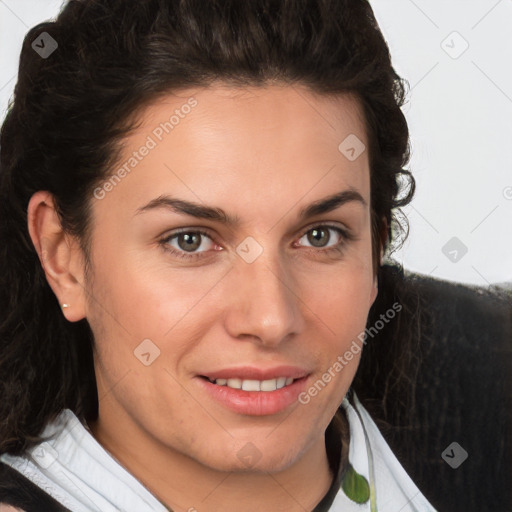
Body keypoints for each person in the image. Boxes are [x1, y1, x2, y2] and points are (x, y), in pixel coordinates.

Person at [0, 0, 439, 510]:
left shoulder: (483, 426)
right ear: (63, 257)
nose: (271, 319)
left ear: (376, 246)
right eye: (190, 240)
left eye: (321, 236)